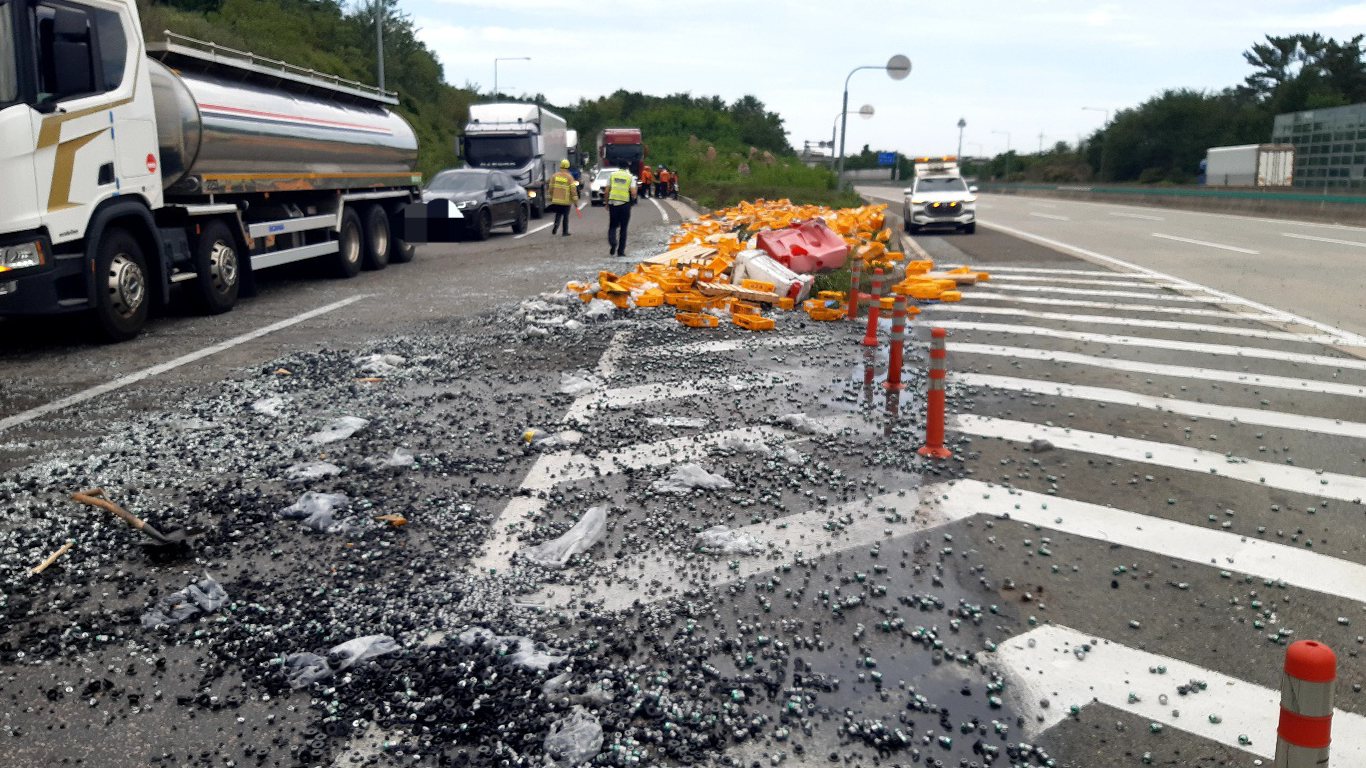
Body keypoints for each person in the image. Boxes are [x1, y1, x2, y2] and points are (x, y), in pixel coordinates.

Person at [605, 162, 636, 257]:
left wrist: (606, 203)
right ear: (627, 167)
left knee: (613, 225)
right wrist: (633, 199)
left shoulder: (612, 175)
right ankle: (621, 251)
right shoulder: (630, 177)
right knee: (623, 228)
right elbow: (633, 192)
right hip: (625, 204)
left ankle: (613, 242)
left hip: (613, 203)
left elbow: (607, 191)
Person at [549, 159, 578, 236]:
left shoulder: (554, 176)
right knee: (565, 216)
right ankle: (565, 232)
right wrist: (575, 201)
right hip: (566, 201)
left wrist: (551, 197)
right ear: (568, 166)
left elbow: (551, 188)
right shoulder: (569, 177)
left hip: (556, 200)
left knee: (558, 214)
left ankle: (556, 225)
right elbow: (573, 190)